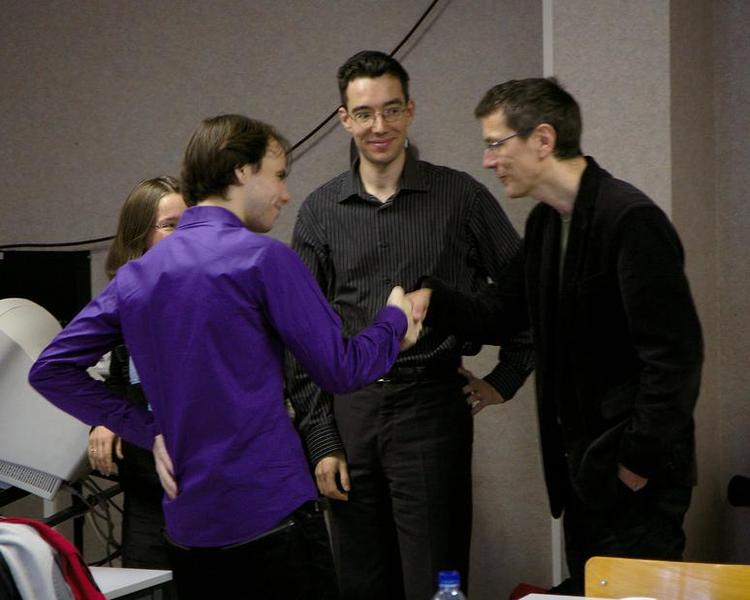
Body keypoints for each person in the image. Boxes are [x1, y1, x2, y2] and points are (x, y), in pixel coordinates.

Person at [29, 114, 420, 599]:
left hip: (190, 529)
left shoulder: (135, 278)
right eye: (278, 175)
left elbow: (51, 369)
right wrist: (394, 321)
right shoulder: (263, 259)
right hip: (271, 514)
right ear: (241, 170)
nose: (285, 194)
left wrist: (148, 432)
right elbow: (343, 369)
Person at [407, 77, 703, 594]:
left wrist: (636, 461)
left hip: (634, 478)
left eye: (496, 144)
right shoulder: (546, 224)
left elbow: (675, 359)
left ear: (542, 139)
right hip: (583, 474)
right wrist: (432, 300)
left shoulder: (630, 220)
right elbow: (503, 313)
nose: (487, 160)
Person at [286, 50, 533, 600]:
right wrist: (321, 439)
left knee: (437, 579)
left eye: (391, 110)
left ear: (411, 111)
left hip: (431, 411)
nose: (379, 126)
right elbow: (299, 339)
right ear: (345, 119)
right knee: (361, 582)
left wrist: (506, 377)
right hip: (349, 414)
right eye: (364, 113)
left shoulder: (460, 196)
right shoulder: (320, 211)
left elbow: (528, 295)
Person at [87, 176, 185, 570]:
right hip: (145, 489)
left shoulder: (213, 292)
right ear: (139, 235)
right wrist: (104, 418)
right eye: (170, 225)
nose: (183, 235)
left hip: (207, 484)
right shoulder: (121, 301)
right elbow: (104, 373)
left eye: (188, 223)